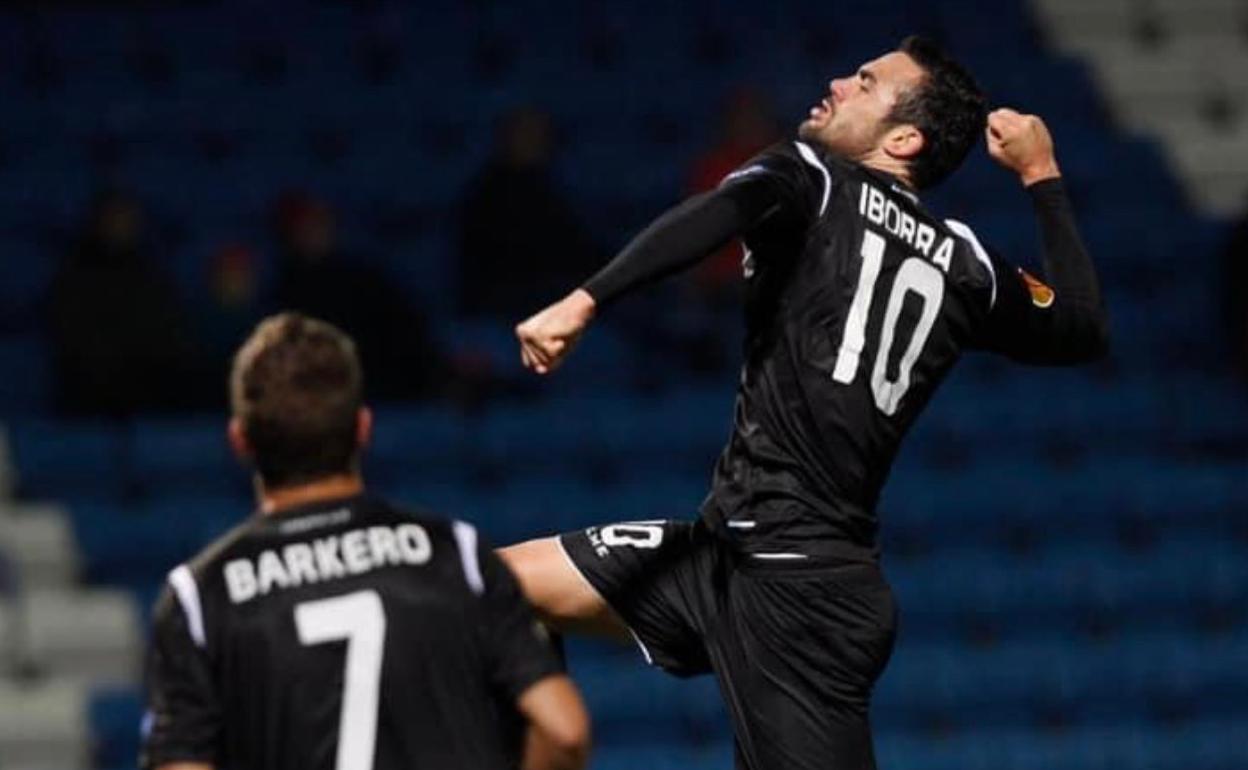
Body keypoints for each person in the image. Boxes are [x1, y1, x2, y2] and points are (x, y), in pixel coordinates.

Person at [503, 36, 1108, 770]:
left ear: (905, 137)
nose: (838, 83)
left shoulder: (815, 177)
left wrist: (584, 301)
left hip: (798, 589)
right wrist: (1041, 173)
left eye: (865, 81)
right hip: (724, 554)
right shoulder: (969, 263)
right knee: (488, 590)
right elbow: (1078, 324)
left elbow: (718, 213)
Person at [140, 313, 590, 770]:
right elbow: (564, 731)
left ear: (239, 441)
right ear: (363, 428)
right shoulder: (457, 555)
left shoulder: (200, 596)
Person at [458, 106, 601, 318]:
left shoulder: (547, 191)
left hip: (550, 304)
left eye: (540, 134)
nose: (536, 141)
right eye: (526, 134)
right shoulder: (488, 197)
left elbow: (579, 252)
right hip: (505, 314)